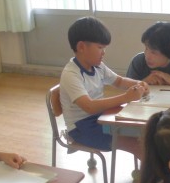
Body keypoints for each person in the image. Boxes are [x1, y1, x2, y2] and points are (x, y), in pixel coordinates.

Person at [60, 16, 148, 152]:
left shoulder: (98, 66)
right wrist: (126, 97)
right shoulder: (71, 74)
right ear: (81, 47)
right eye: (100, 47)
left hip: (100, 117)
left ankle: (148, 165)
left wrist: (139, 83)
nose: (104, 52)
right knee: (137, 143)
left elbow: (119, 81)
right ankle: (150, 166)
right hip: (82, 128)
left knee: (142, 133)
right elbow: (89, 107)